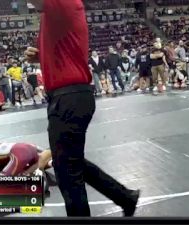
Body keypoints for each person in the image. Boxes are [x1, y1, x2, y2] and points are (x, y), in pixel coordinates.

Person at [25, 0, 139, 217]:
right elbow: (64, 53)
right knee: (70, 162)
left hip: (69, 97)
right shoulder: (53, 14)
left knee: (66, 171)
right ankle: (125, 197)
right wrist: (40, 56)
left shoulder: (64, 3)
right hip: (70, 96)